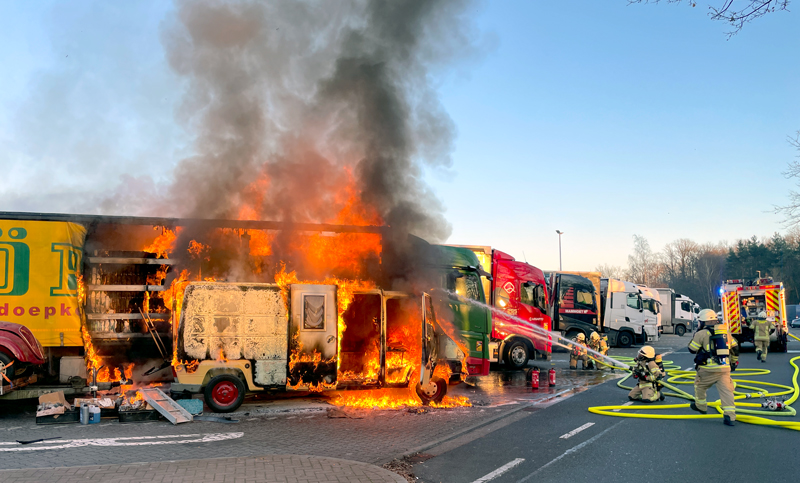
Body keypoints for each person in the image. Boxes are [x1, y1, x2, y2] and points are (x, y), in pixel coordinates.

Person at [688, 309, 736, 426]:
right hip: (724, 368)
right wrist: (733, 362)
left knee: (699, 386)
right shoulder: (726, 333)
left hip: (707, 369)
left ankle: (701, 406)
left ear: (703, 322)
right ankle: (730, 416)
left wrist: (696, 337)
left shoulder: (701, 333)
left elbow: (692, 349)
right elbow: (735, 348)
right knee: (727, 392)